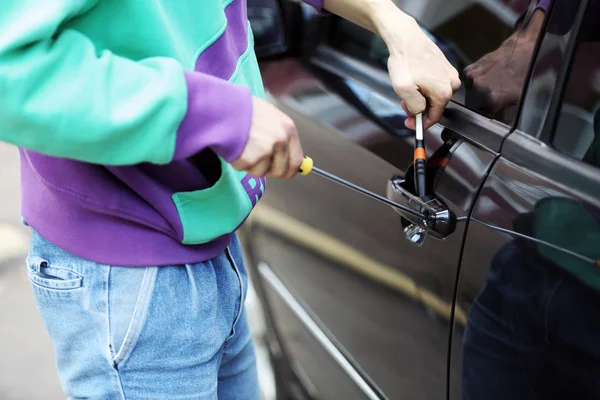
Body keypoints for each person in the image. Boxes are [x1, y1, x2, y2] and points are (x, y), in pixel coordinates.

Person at [0, 0, 460, 398]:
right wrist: (217, 116)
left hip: (211, 236)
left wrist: (393, 21)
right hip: (127, 270)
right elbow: (10, 73)